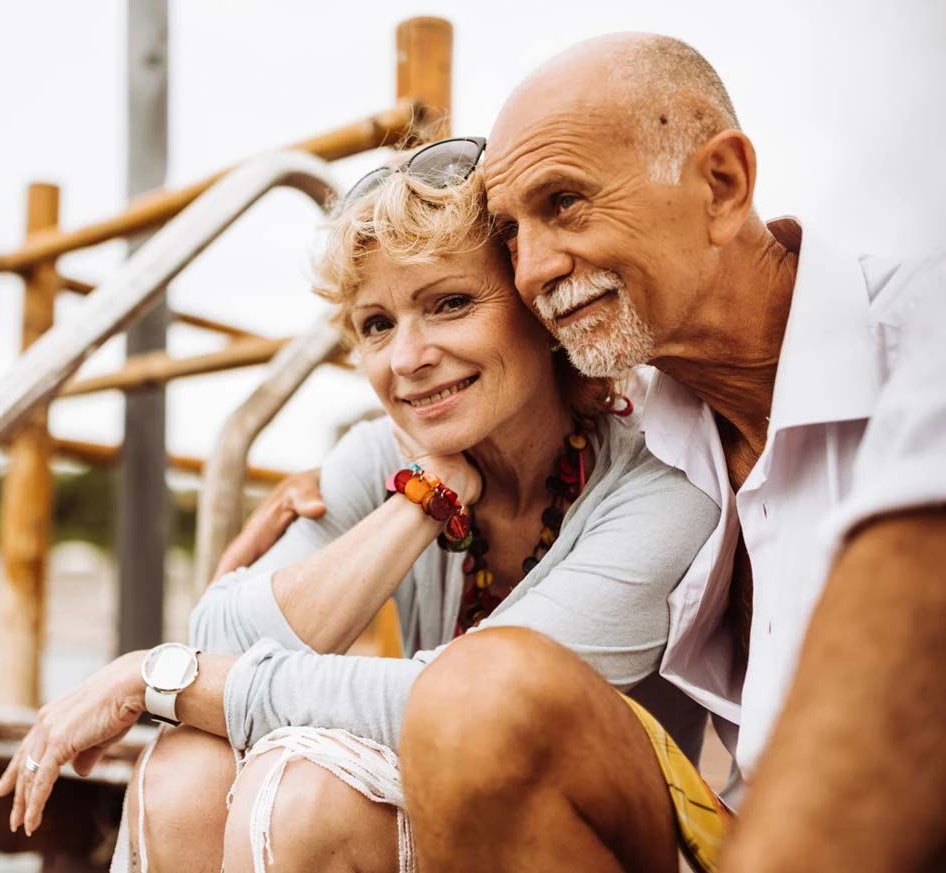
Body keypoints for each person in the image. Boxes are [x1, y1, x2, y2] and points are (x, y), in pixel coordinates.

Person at [0, 139, 722, 873]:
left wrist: (151, 676)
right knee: (185, 772)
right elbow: (217, 630)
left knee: (303, 798)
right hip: (453, 801)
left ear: (538, 308)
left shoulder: (661, 476)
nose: (406, 359)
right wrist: (422, 501)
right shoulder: (392, 454)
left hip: (592, 841)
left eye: (450, 304)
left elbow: (467, 712)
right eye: (377, 323)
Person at [390, 32, 946, 873]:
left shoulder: (921, 328)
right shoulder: (636, 431)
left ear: (720, 186)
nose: (533, 269)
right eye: (509, 232)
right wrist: (350, 498)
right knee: (470, 705)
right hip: (739, 830)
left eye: (565, 202)